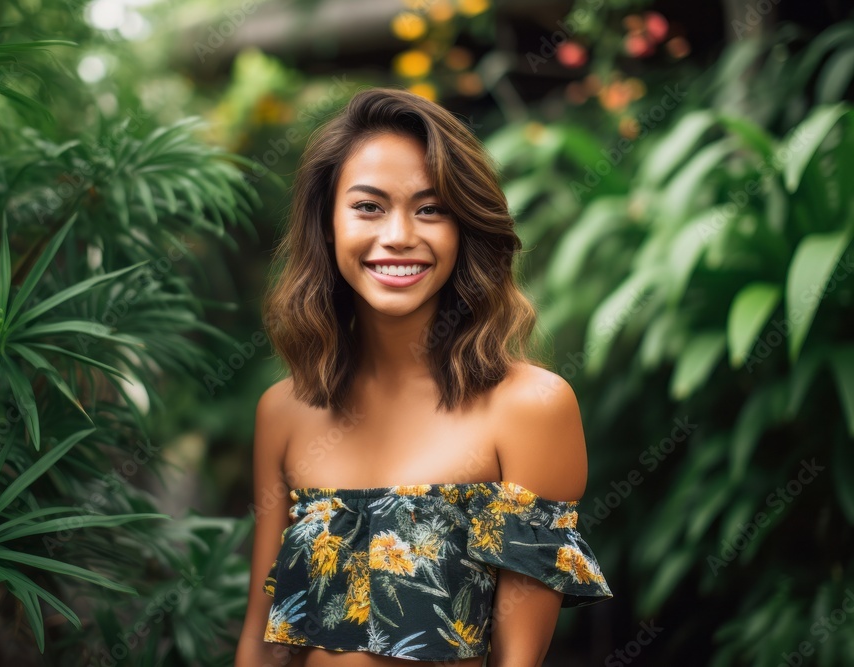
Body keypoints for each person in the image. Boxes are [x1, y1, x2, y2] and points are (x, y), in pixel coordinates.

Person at [234, 87, 612, 667]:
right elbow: (263, 640)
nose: (399, 236)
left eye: (431, 209)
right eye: (368, 206)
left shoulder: (531, 407)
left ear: (465, 229)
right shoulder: (284, 410)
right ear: (327, 224)